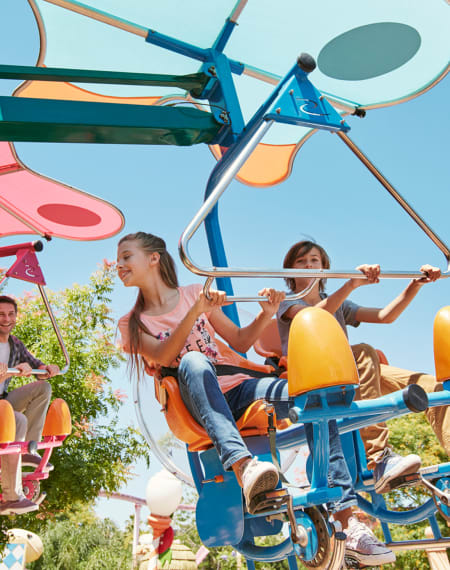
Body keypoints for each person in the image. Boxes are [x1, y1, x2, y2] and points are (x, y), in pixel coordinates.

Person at [117, 232, 395, 567]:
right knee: (193, 360)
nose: (119, 265)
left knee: (309, 394)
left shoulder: (194, 293)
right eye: (119, 259)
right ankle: (242, 464)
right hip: (194, 401)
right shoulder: (131, 324)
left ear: (153, 258)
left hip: (240, 390)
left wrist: (267, 313)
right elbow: (164, 356)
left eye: (126, 256)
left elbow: (240, 339)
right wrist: (196, 311)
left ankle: (347, 517)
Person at [278, 240, 447, 495]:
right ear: (290, 272)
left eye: (314, 260)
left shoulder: (338, 304)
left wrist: (414, 285)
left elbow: (385, 316)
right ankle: (380, 458)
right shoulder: (288, 303)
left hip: (351, 369)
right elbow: (313, 316)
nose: (309, 265)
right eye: (300, 262)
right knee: (365, 353)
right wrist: (351, 284)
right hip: (316, 373)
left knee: (429, 386)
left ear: (324, 267)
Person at [0, 295, 60, 516]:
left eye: (10, 314)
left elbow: (37, 366)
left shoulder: (14, 344)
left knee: (42, 389)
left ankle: (28, 449)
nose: (6, 319)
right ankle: (11, 496)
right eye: (1, 314)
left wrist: (47, 368)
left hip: (3, 403)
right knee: (18, 419)